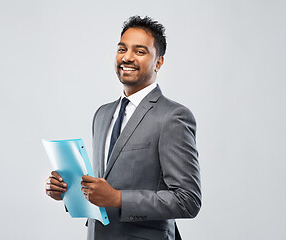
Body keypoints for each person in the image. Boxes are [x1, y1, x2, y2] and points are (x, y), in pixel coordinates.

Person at [45, 15, 201, 240]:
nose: (127, 57)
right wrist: (68, 193)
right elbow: (103, 188)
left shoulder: (173, 116)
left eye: (140, 51)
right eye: (121, 49)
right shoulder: (102, 114)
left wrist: (118, 198)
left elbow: (188, 200)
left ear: (158, 62)